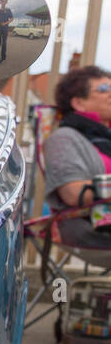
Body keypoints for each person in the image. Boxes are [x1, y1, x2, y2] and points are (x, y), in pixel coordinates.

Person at [43, 65, 111, 249]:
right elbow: (72, 194)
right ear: (78, 103)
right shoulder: (64, 138)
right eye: (104, 89)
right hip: (88, 226)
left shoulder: (106, 137)